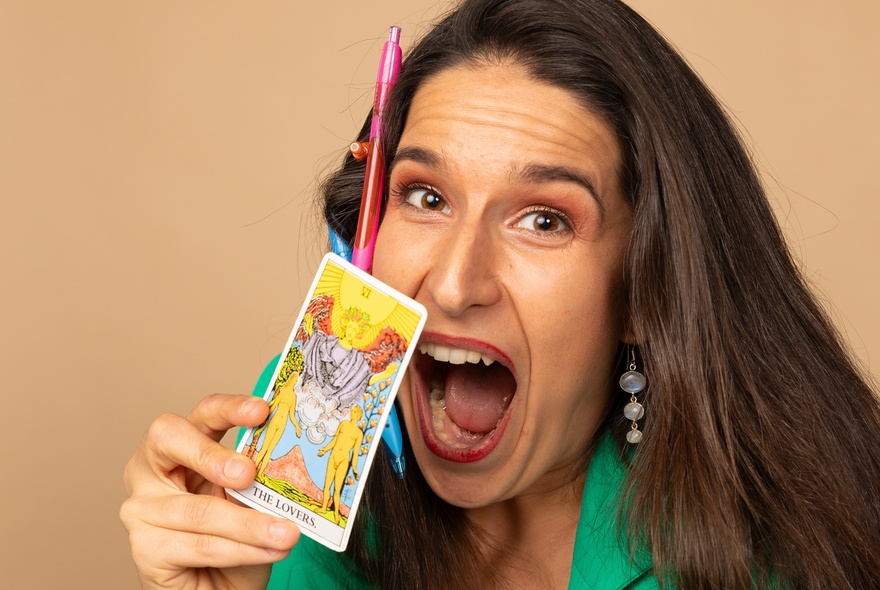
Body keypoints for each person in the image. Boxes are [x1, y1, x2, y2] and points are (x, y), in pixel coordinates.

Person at [120, 0, 880, 588]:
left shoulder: (781, 555)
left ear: (648, 290)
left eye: (544, 219)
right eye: (424, 198)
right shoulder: (296, 454)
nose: (454, 284)